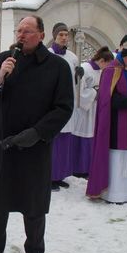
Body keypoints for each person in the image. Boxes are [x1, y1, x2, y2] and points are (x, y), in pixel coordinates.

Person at [0, 15, 73, 253]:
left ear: (41, 35)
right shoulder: (3, 60)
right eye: (19, 30)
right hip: (2, 141)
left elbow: (64, 108)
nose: (21, 35)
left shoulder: (57, 67)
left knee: (33, 203)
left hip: (35, 144)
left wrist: (38, 133)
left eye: (27, 31)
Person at [86, 39, 127, 204]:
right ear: (125, 56)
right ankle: (112, 193)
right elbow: (106, 100)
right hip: (116, 124)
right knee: (118, 157)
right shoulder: (111, 71)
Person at [71, 47, 114, 178]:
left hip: (94, 109)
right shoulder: (85, 69)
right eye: (108, 63)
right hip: (83, 111)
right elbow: (78, 91)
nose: (108, 67)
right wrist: (95, 92)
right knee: (82, 138)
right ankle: (78, 168)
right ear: (101, 60)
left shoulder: (101, 71)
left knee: (92, 137)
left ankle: (88, 167)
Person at [48, 22, 80, 189]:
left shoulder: (72, 57)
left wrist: (78, 75)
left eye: (66, 35)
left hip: (68, 101)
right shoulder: (48, 55)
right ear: (54, 36)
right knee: (53, 140)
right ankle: (49, 176)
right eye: (61, 34)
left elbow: (75, 83)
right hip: (53, 103)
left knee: (64, 140)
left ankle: (59, 174)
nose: (64, 38)